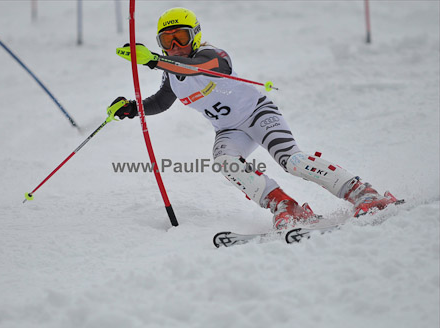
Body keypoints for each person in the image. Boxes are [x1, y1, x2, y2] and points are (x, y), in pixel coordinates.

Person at [110, 7, 399, 229]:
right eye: (167, 41)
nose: (175, 46)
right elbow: (161, 101)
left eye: (181, 37)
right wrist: (132, 108)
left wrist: (154, 59)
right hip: (229, 130)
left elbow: (199, 68)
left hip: (258, 114)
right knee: (224, 162)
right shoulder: (171, 72)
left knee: (292, 162)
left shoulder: (213, 54)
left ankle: (364, 193)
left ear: (195, 35)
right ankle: (287, 208)